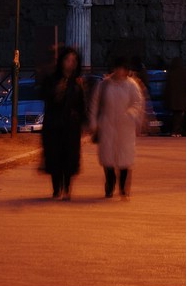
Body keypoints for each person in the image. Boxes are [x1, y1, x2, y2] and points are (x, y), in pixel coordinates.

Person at [90, 55, 144, 199]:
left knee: (124, 160)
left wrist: (130, 113)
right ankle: (110, 183)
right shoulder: (104, 85)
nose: (120, 72)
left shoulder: (132, 85)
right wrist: (94, 123)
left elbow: (137, 103)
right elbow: (95, 104)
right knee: (107, 159)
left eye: (123, 69)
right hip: (107, 126)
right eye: (118, 68)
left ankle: (123, 188)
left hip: (125, 128)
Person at [41, 47, 86, 200]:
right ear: (61, 61)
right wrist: (56, 91)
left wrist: (80, 117)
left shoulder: (77, 82)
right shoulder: (52, 79)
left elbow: (82, 105)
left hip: (71, 127)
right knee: (55, 156)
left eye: (73, 61)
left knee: (69, 157)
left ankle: (67, 187)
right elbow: (44, 96)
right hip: (53, 125)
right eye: (68, 60)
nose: (70, 64)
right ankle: (56, 189)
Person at [164, 56, 186, 136]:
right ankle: (177, 131)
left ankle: (174, 131)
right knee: (179, 116)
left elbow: (167, 87)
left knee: (174, 115)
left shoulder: (170, 73)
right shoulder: (184, 73)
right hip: (181, 100)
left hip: (172, 99)